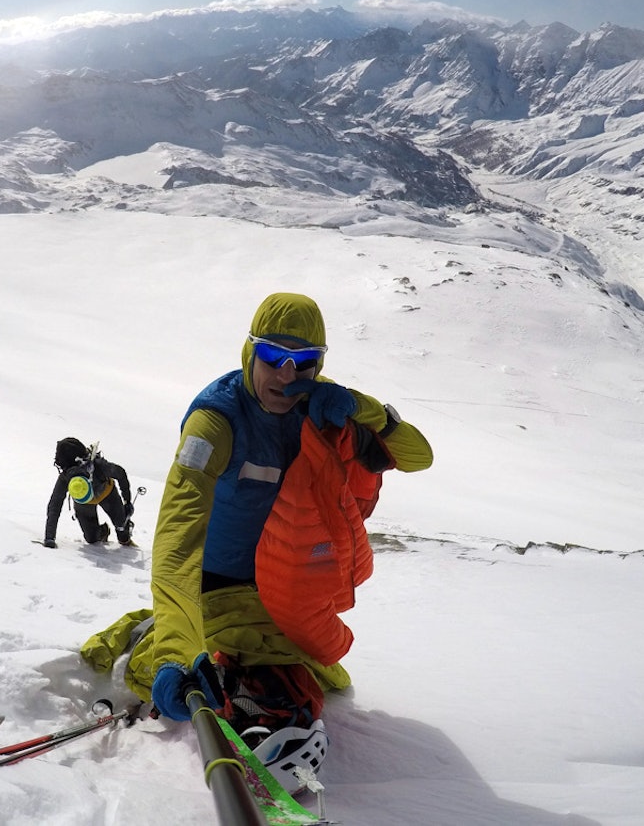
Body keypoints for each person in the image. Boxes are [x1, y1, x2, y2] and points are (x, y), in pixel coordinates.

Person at [82, 291, 432, 792]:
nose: (287, 375)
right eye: (272, 356)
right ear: (250, 351)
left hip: (283, 586)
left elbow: (418, 456)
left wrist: (366, 410)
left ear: (319, 363)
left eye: (303, 362)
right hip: (216, 582)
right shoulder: (215, 422)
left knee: (312, 674)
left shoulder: (323, 404)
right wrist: (176, 653)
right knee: (202, 673)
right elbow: (179, 539)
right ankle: (156, 634)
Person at [43, 438, 137, 548]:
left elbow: (120, 473)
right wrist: (49, 537)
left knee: (122, 529)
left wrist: (127, 501)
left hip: (103, 495)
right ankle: (103, 532)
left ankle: (124, 535)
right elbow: (55, 505)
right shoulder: (66, 476)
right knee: (92, 539)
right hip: (90, 500)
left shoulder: (97, 466)